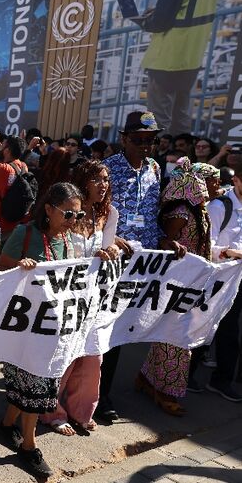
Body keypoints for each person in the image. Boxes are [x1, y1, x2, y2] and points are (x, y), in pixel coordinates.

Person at [97, 110, 183, 422]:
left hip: (143, 264)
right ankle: (98, 395)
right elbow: (97, 214)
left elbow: (150, 214)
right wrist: (112, 238)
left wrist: (164, 240)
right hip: (113, 260)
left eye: (151, 140)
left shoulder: (155, 169)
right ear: (124, 138)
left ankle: (102, 390)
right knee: (105, 328)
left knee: (124, 327)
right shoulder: (108, 169)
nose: (145, 146)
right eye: (138, 140)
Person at [0, 182, 86, 477]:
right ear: (48, 209)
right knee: (34, 385)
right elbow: (0, 270)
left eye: (78, 215)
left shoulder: (71, 241)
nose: (73, 221)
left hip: (53, 329)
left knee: (32, 384)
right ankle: (29, 446)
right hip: (24, 327)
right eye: (68, 214)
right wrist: (20, 267)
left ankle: (8, 426)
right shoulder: (25, 234)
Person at [38, 162, 120, 436]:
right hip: (66, 296)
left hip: (95, 296)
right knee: (64, 356)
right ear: (83, 182)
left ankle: (81, 411)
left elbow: (106, 246)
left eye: (106, 179)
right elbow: (55, 243)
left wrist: (109, 252)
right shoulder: (68, 212)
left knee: (93, 356)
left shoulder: (109, 214)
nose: (103, 184)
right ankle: (51, 412)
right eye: (96, 178)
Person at [136, 157, 209, 416]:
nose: (210, 188)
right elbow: (165, 242)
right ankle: (167, 391)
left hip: (190, 282)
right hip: (176, 283)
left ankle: (148, 380)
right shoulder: (180, 214)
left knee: (172, 336)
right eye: (206, 183)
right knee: (178, 339)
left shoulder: (198, 213)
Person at [138, 0, 217, 135]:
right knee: (180, 116)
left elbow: (160, 22)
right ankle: (181, 153)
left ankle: (158, 155)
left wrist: (145, 21)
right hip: (192, 56)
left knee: (158, 119)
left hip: (167, 58)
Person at [202, 159, 242, 402]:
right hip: (219, 277)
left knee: (230, 330)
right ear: (236, 181)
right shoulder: (219, 207)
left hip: (238, 277)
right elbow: (208, 246)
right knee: (207, 326)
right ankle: (186, 377)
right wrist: (234, 254)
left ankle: (222, 379)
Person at [0, 136, 30, 238]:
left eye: (2, 146)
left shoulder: (1, 169)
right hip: (16, 224)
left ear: (7, 150)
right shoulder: (23, 166)